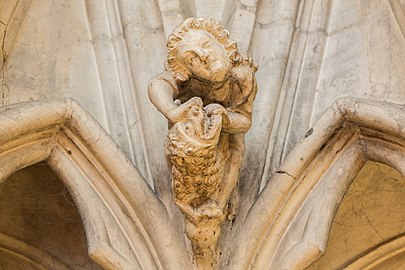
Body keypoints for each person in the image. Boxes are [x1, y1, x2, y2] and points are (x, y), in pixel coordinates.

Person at [148, 17, 258, 267]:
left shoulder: (242, 78)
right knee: (176, 156)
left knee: (236, 151)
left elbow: (244, 120)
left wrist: (224, 119)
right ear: (186, 70)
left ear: (222, 44)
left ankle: (219, 203)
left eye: (207, 46)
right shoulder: (187, 81)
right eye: (193, 58)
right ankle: (189, 197)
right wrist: (172, 112)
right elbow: (158, 84)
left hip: (225, 130)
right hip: (190, 131)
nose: (204, 56)